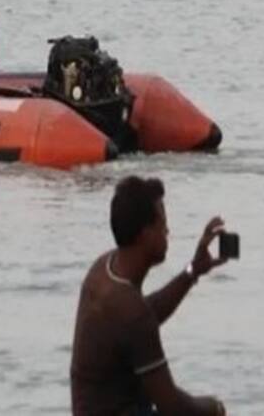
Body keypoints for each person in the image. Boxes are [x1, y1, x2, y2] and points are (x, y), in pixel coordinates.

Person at [70, 175, 229, 416]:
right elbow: (172, 407)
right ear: (145, 234)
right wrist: (215, 408)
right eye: (162, 224)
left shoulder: (104, 268)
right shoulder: (131, 312)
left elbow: (144, 315)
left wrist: (193, 270)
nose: (167, 231)